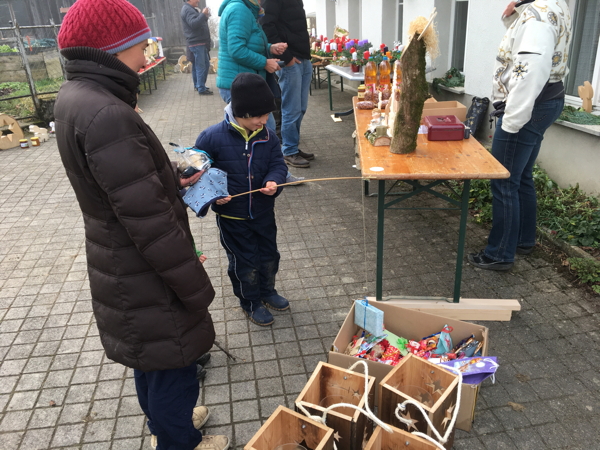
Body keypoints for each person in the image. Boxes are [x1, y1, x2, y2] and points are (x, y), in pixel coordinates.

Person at [54, 1, 228, 449]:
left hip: (120, 262)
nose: (147, 52)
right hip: (145, 269)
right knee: (175, 362)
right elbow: (151, 225)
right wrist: (194, 286)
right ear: (114, 49)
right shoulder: (109, 114)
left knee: (151, 360)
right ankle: (180, 440)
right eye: (140, 43)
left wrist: (169, 175)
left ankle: (170, 427)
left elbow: (119, 184)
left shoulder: (78, 97)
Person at [468, 0, 572, 271]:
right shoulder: (554, 5)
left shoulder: (536, 18)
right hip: (546, 100)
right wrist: (512, 16)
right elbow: (524, 48)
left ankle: (499, 254)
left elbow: (530, 71)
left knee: (504, 181)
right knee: (521, 175)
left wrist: (511, 122)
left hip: (527, 106)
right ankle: (524, 241)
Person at [195, 73, 289, 326]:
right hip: (232, 218)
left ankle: (268, 291)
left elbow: (278, 165)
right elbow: (196, 176)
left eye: (267, 115)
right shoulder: (211, 137)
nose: (265, 120)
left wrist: (274, 181)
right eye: (259, 116)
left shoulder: (269, 137)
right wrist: (214, 197)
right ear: (242, 113)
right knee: (245, 261)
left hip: (262, 212)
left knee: (269, 255)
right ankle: (250, 302)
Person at [217, 0, 304, 185]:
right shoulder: (239, 10)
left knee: (264, 134)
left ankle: (269, 176)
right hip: (239, 85)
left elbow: (248, 43)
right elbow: (236, 49)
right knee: (265, 132)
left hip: (246, 83)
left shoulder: (248, 10)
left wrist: (270, 48)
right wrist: (264, 62)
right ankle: (263, 177)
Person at [260, 0, 315, 169]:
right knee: (291, 109)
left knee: (301, 108)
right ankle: (289, 151)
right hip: (291, 60)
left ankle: (293, 146)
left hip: (303, 58)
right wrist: (287, 58)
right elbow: (266, 25)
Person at [181, 0, 213, 95]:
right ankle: (201, 88)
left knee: (197, 65)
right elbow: (194, 24)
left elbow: (197, 23)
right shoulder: (188, 9)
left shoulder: (190, 9)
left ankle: (198, 85)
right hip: (197, 42)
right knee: (202, 66)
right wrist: (202, 14)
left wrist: (205, 16)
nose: (198, 1)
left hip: (198, 41)